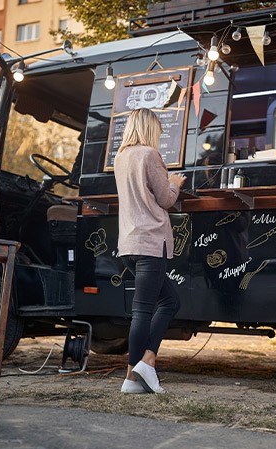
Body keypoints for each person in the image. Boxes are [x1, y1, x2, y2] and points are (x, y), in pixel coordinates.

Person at [114, 108, 186, 394]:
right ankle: (133, 376)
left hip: (129, 244)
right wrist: (176, 184)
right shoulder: (149, 155)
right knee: (144, 310)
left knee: (169, 302)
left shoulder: (120, 158)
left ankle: (146, 361)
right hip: (150, 242)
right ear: (149, 128)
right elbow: (166, 199)